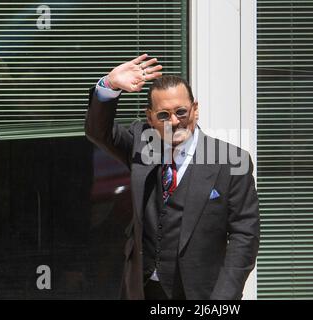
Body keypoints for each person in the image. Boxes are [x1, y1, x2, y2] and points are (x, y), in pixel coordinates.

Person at [85, 54, 260, 300]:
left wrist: (223, 298)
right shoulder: (142, 143)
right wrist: (109, 86)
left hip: (202, 293)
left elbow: (245, 235)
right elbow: (98, 132)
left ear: (195, 110)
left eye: (181, 112)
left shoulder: (230, 161)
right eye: (164, 115)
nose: (175, 122)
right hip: (143, 289)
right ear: (150, 118)